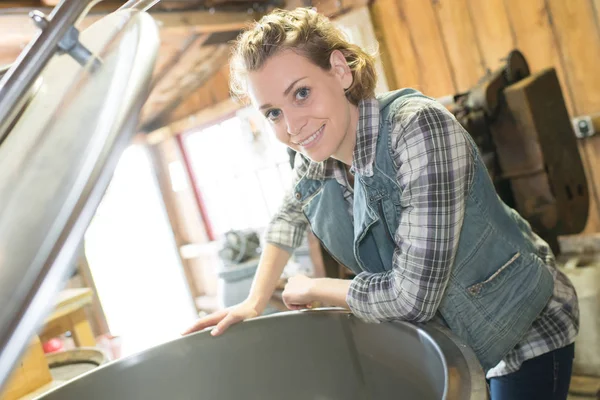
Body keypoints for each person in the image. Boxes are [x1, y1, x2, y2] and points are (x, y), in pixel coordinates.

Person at [182, 7, 578, 399]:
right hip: (460, 341)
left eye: (301, 93)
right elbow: (288, 216)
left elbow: (412, 297)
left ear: (339, 70)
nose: (292, 126)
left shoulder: (418, 128)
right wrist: (252, 302)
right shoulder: (317, 154)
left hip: (526, 328)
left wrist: (316, 287)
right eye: (273, 113)